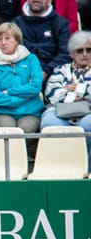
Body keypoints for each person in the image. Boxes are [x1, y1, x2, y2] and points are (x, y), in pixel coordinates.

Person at [41, 30, 91, 169]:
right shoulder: (60, 70)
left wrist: (72, 89)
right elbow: (51, 94)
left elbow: (60, 93)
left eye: (89, 50)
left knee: (88, 124)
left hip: (88, 112)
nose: (85, 54)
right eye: (80, 50)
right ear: (72, 53)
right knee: (50, 123)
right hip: (60, 111)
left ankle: (86, 167)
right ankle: (60, 167)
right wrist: (80, 96)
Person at [0, 22, 45, 132]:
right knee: (8, 129)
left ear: (17, 40)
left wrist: (9, 91)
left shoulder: (31, 59)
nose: (3, 42)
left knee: (27, 128)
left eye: (8, 38)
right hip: (1, 112)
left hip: (30, 112)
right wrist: (25, 97)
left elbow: (36, 87)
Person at [13, 0, 72, 82]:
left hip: (54, 74)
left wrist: (46, 71)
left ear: (49, 1)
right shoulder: (16, 23)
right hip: (22, 74)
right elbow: (9, 52)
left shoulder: (60, 23)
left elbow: (65, 54)